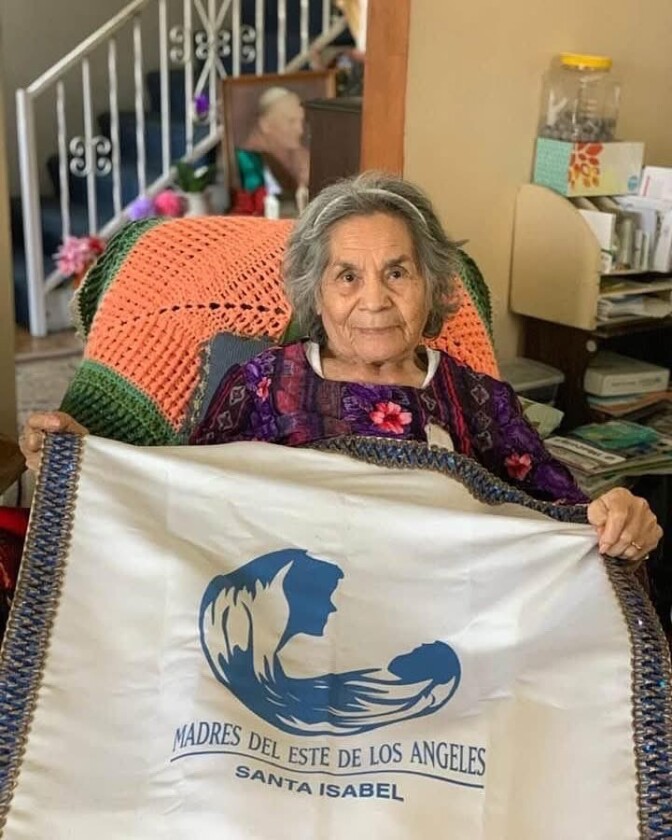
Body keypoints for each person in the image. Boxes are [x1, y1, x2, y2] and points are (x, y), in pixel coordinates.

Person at [20, 172, 662, 563]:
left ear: (434, 288)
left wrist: (617, 516)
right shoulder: (263, 385)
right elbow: (182, 494)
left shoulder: (475, 399)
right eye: (347, 276)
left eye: (398, 272)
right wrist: (86, 460)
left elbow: (563, 516)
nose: (374, 300)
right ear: (316, 295)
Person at [236, 87, 309, 198]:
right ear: (265, 124)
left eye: (301, 121)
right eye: (291, 121)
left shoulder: (302, 155)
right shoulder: (248, 159)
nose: (300, 130)